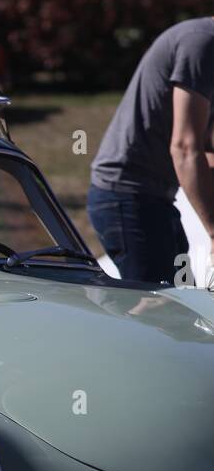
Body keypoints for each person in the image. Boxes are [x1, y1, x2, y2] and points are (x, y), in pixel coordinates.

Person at [89, 17, 214, 283]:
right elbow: (185, 148)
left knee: (181, 301)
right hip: (127, 197)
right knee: (158, 312)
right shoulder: (201, 43)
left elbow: (206, 151)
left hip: (156, 199)